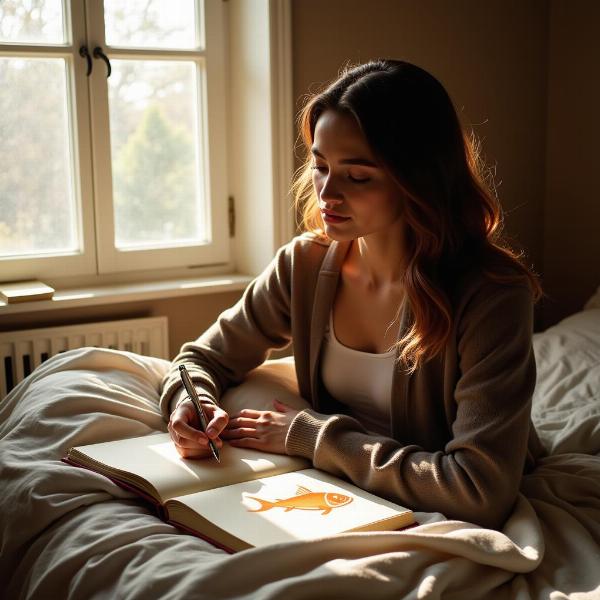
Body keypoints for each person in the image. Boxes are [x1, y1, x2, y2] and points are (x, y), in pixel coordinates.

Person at [160, 59, 544, 529]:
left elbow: (478, 490)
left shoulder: (491, 295)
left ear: (419, 178)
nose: (327, 194)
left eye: (358, 176)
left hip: (413, 500)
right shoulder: (303, 265)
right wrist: (191, 404)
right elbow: (199, 358)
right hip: (334, 493)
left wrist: (311, 437)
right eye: (321, 166)